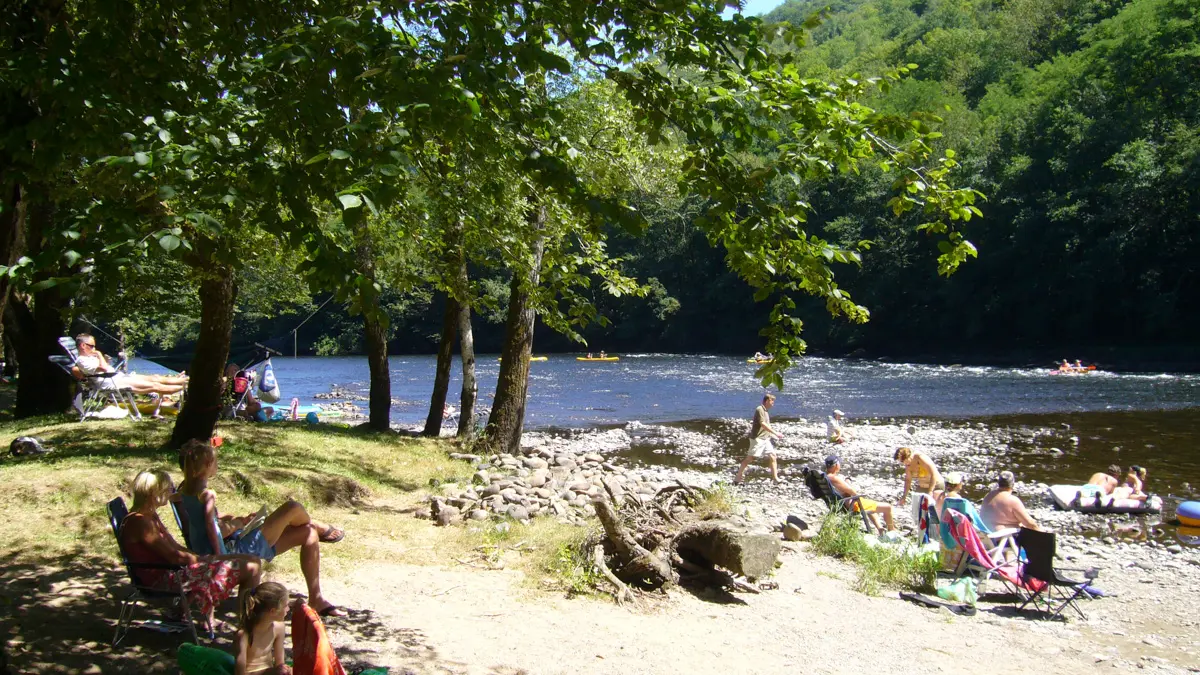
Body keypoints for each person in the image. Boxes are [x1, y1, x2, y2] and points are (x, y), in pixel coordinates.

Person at [177, 440, 348, 617]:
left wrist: (239, 520)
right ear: (207, 465)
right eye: (216, 463)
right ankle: (320, 526)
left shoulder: (186, 490)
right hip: (232, 549)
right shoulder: (206, 494)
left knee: (308, 532)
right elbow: (212, 529)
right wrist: (237, 524)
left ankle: (316, 598)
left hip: (231, 543)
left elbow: (206, 521)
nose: (217, 466)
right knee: (292, 507)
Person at [120, 470, 261, 632]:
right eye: (167, 489)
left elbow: (175, 547)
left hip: (172, 571)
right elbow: (174, 557)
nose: (170, 492)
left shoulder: (149, 516)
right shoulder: (141, 522)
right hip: (164, 578)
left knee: (250, 559)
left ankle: (186, 612)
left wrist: (202, 558)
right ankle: (248, 628)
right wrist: (206, 561)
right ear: (154, 493)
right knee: (252, 567)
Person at [73, 334, 188, 396]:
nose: (94, 348)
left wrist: (105, 360)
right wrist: (99, 354)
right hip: (112, 382)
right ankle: (187, 387)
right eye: (92, 346)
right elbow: (103, 369)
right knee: (154, 386)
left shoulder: (89, 358)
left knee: (155, 378)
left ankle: (186, 381)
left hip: (117, 377)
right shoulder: (82, 360)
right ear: (83, 345)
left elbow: (103, 368)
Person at [825, 455, 895, 531]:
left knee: (870, 505)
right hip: (851, 505)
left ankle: (880, 529)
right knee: (888, 507)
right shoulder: (833, 478)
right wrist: (848, 483)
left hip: (841, 504)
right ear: (836, 465)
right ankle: (892, 532)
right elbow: (852, 491)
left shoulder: (826, 477)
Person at [236, 581, 293, 675]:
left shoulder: (279, 627)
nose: (288, 609)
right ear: (273, 611)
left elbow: (280, 664)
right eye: (286, 606)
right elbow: (240, 673)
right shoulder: (244, 635)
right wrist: (269, 672)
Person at [734, 394, 783, 484]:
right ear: (767, 400)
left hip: (765, 439)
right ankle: (738, 477)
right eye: (772, 401)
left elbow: (766, 427)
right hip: (758, 439)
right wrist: (775, 433)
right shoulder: (760, 409)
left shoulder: (766, 411)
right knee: (750, 458)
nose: (773, 404)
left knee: (773, 456)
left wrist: (772, 435)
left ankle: (775, 479)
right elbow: (763, 424)